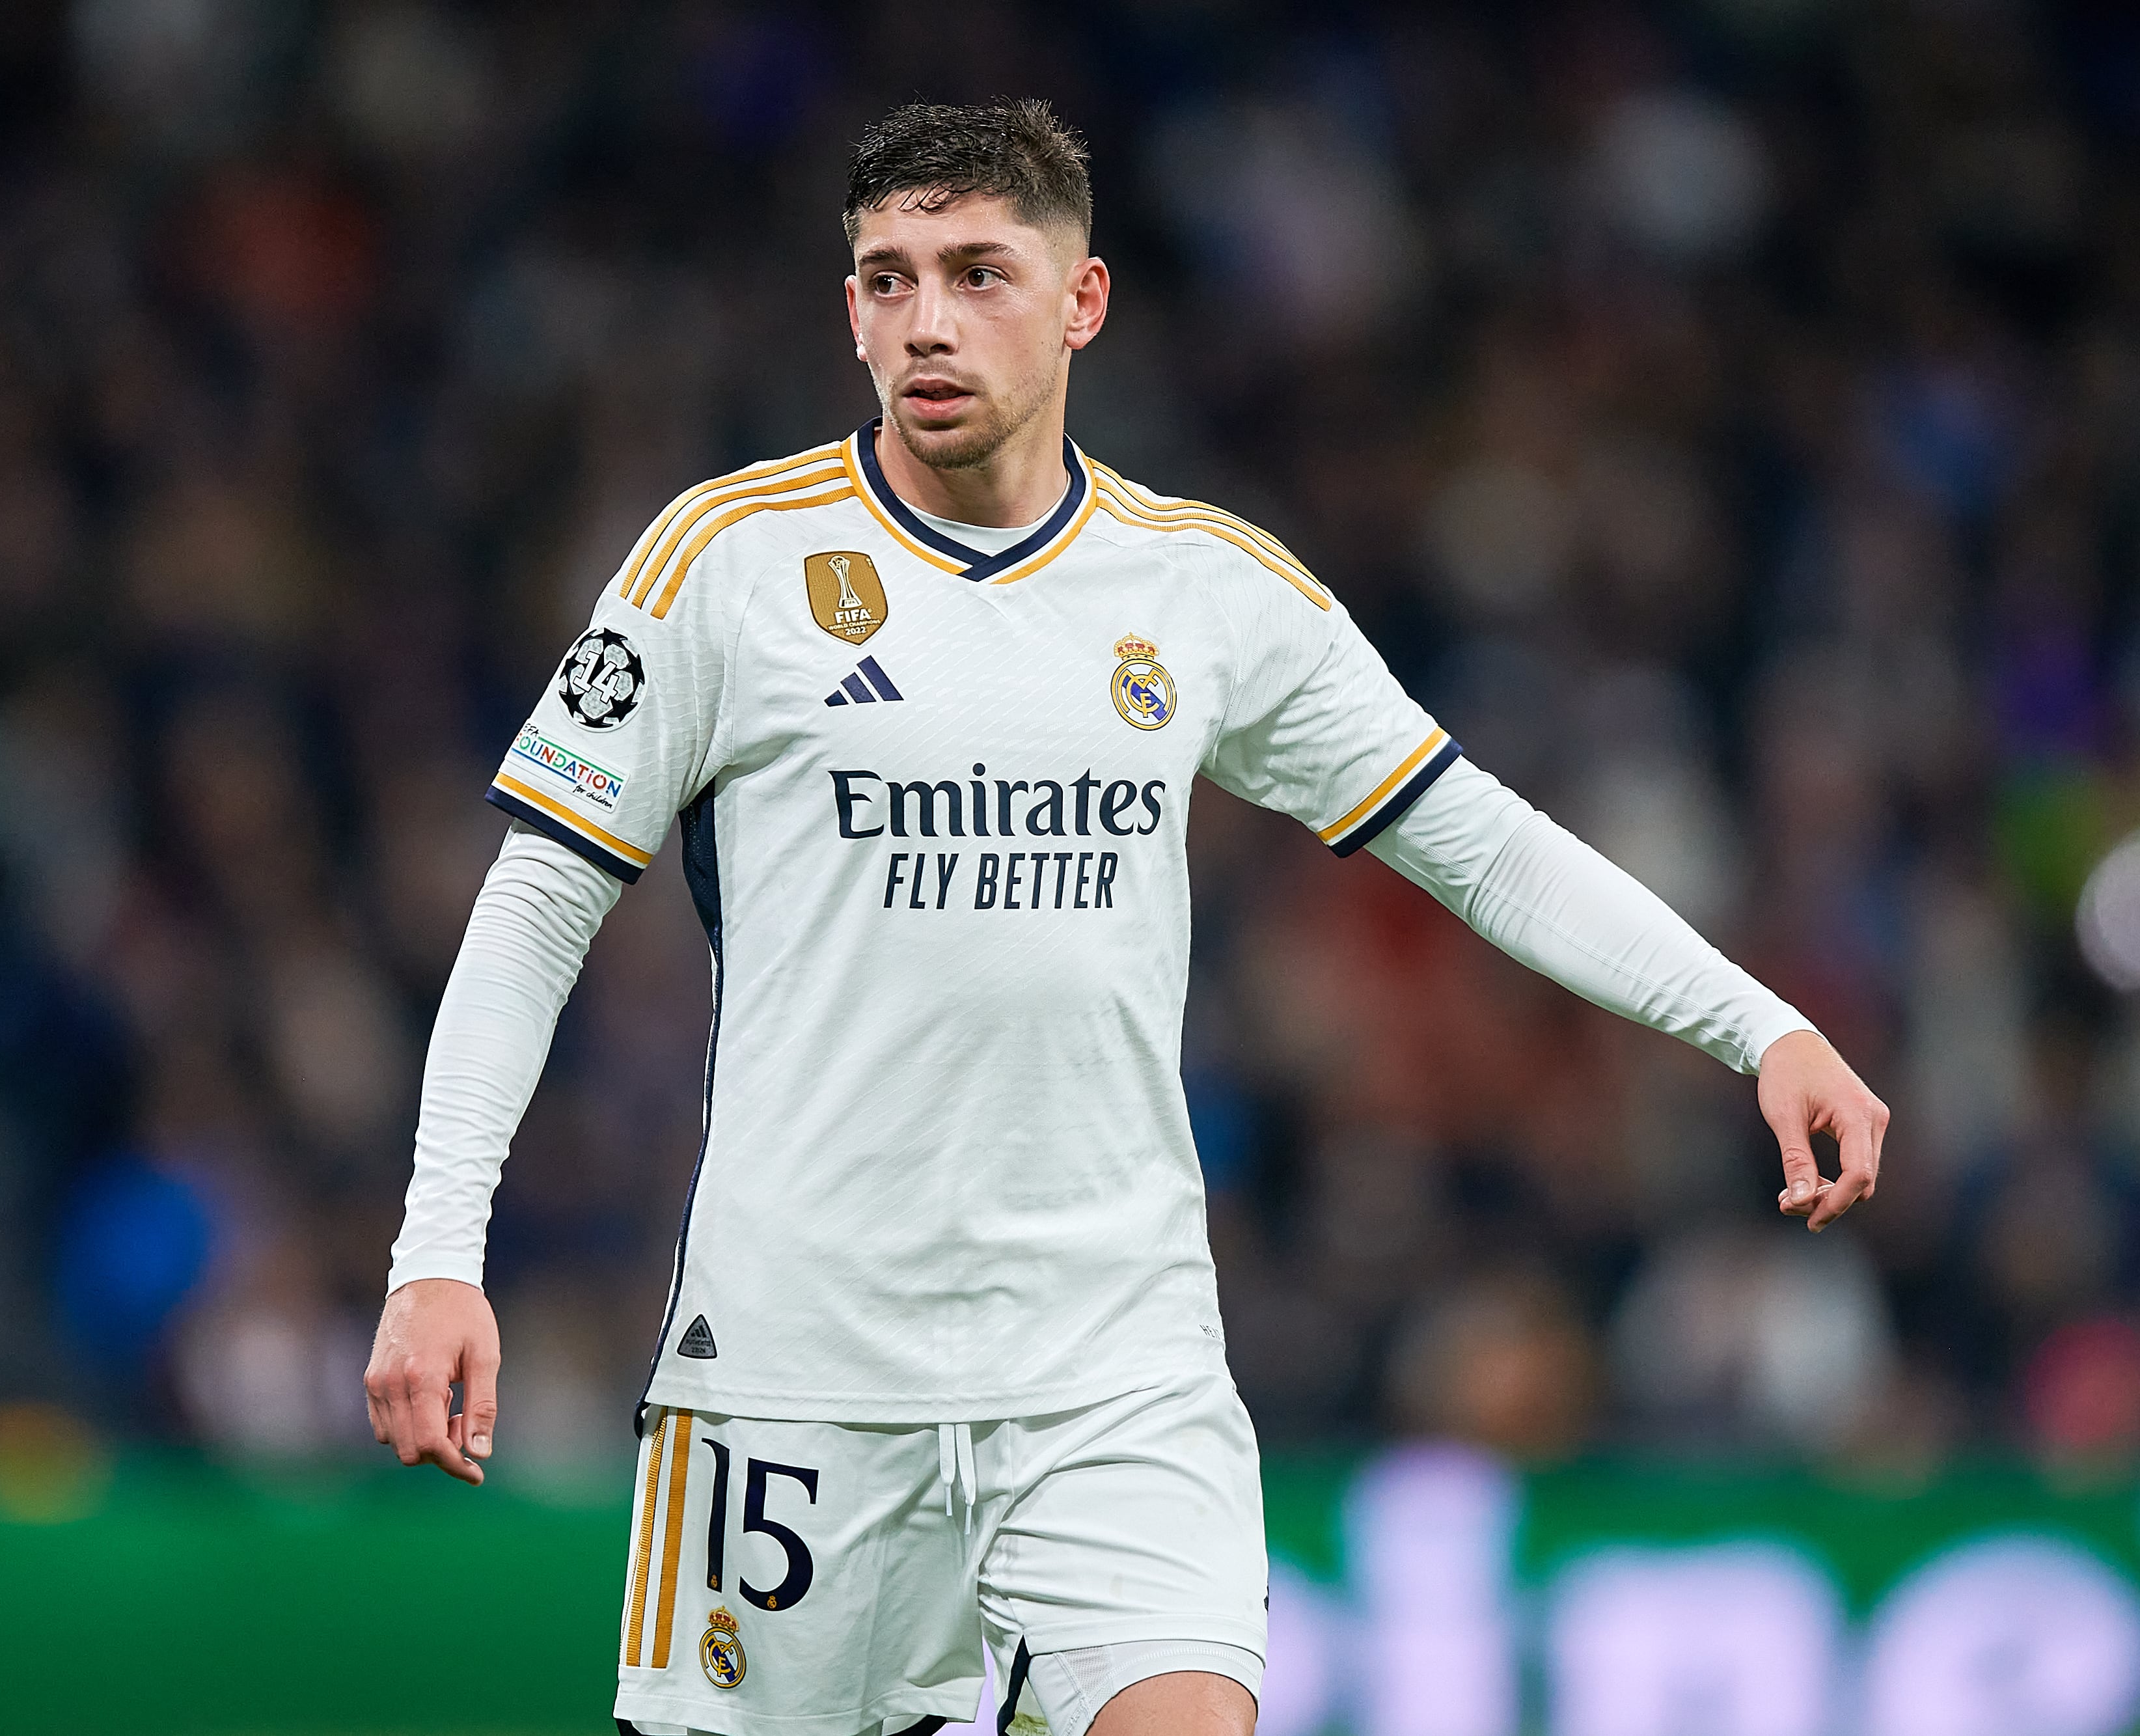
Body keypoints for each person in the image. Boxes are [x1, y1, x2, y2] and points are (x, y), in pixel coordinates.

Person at [364, 98, 1887, 1736]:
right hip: (799, 1375)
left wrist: (1762, 1022)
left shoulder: (1204, 590)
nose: (925, 321)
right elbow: (534, 901)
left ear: (1082, 300)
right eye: (885, 280)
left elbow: (1478, 843)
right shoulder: (724, 565)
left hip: (1115, 1373)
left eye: (977, 272)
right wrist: (436, 1253)